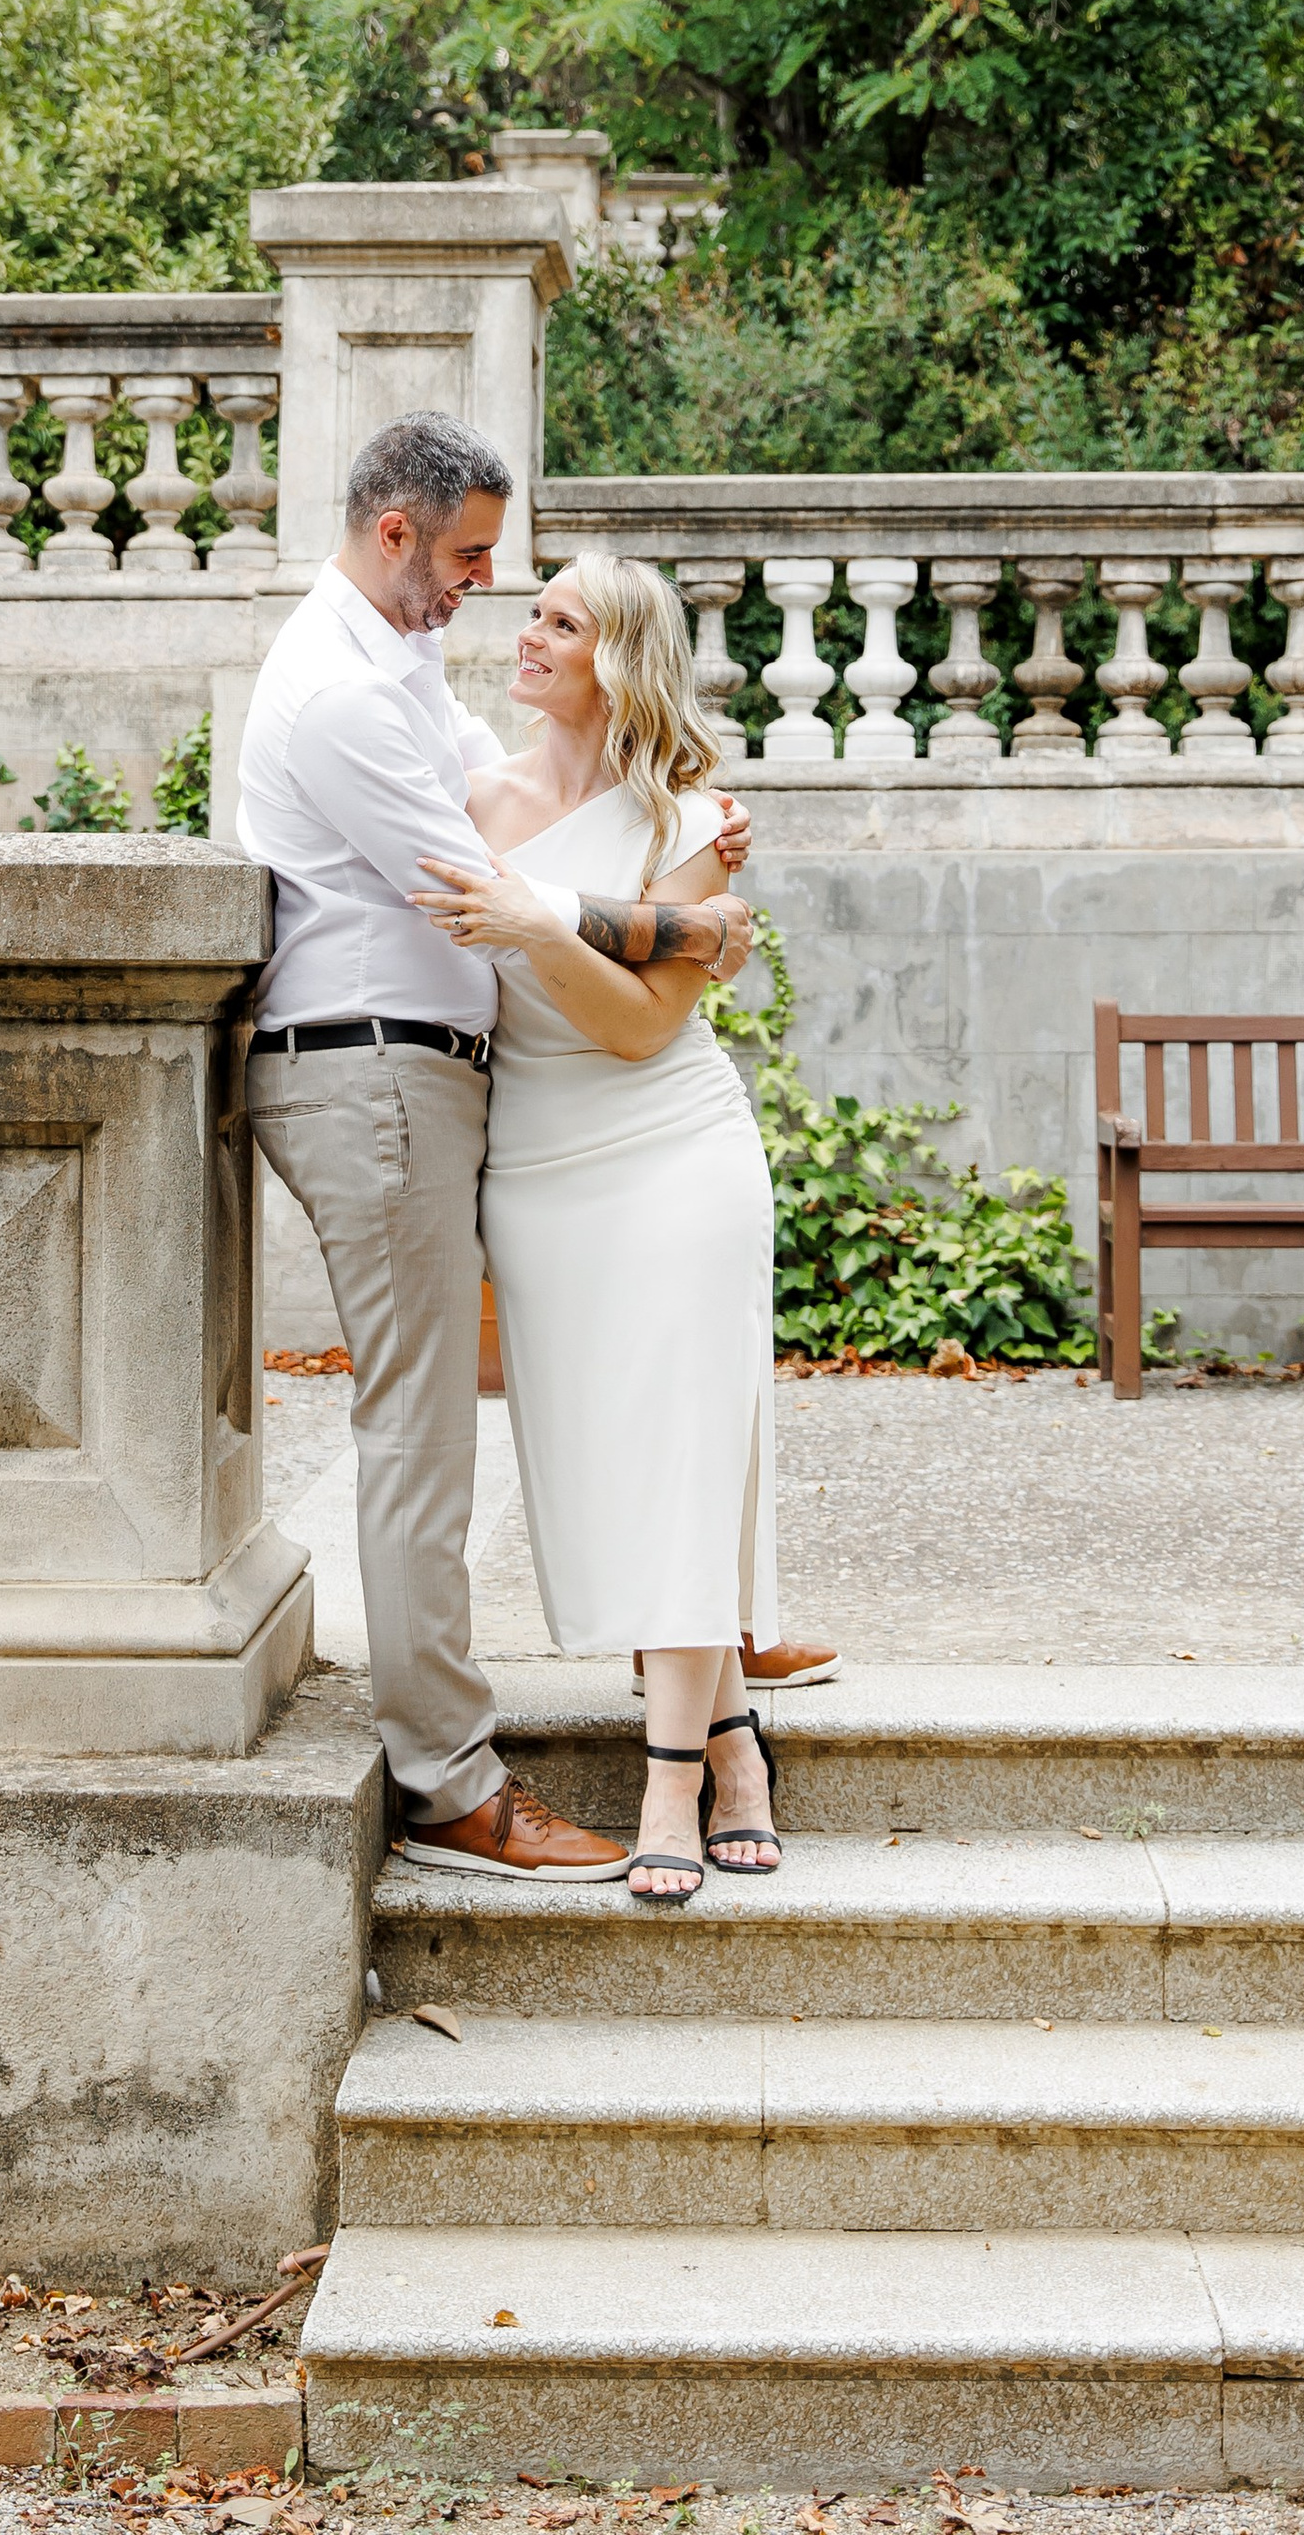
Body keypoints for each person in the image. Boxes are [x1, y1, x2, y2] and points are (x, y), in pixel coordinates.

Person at [238, 410, 760, 1882]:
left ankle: (715, 1668)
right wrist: (687, 925)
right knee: (418, 1435)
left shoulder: (394, 663)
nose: (481, 587)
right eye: (468, 557)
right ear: (394, 533)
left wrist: (687, 858)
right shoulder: (338, 693)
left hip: (434, 1077)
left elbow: (547, 820)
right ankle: (450, 1783)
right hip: (373, 1071)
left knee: (466, 1421)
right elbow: (495, 896)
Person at [411, 552, 784, 1907]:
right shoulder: (469, 798)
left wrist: (533, 915)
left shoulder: (689, 816)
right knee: (617, 1466)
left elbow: (640, 1025)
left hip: (675, 1151)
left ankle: (675, 1775)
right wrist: (554, 911)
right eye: (533, 612)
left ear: (617, 657)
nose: (529, 635)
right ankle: (734, 1726)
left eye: (560, 621)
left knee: (687, 1451)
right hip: (542, 1171)